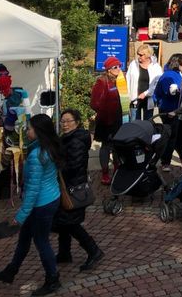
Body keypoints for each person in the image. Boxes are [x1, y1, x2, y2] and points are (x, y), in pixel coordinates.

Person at [0, 114, 64, 295]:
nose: (27, 131)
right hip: (50, 198)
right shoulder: (49, 147)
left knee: (41, 242)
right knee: (24, 238)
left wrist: (21, 215)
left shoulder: (37, 155)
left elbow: (33, 190)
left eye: (30, 128)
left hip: (41, 205)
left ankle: (53, 279)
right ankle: (11, 271)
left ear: (39, 132)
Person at [53, 109, 103, 271]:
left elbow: (74, 166)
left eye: (68, 121)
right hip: (69, 186)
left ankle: (94, 250)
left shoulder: (75, 141)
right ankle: (64, 253)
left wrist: (57, 167)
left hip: (74, 188)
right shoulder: (68, 139)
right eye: (63, 121)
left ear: (77, 122)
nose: (65, 124)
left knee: (70, 223)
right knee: (63, 222)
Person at [90, 57, 123, 185]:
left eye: (119, 66)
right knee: (106, 146)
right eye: (115, 67)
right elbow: (94, 103)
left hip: (118, 119)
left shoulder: (120, 81)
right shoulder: (102, 82)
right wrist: (105, 110)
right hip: (106, 120)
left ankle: (116, 170)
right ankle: (104, 173)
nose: (118, 69)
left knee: (117, 146)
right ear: (109, 70)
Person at [154, 54, 182, 170]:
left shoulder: (167, 73)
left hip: (166, 108)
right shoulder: (171, 75)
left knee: (171, 135)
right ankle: (165, 161)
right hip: (170, 109)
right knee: (170, 136)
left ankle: (165, 159)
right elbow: (170, 92)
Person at [126, 43, 162, 122]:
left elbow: (157, 84)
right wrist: (128, 96)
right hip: (135, 99)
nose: (138, 57)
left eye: (141, 55)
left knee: (147, 124)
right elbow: (128, 80)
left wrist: (146, 93)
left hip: (148, 100)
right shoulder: (133, 64)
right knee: (135, 124)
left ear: (148, 55)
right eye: (138, 54)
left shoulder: (156, 67)